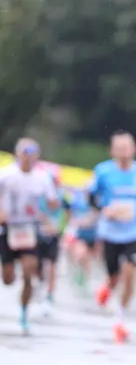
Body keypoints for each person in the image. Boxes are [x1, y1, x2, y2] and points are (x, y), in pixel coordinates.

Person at [90, 130, 136, 343]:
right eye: (119, 149)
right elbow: (92, 197)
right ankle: (107, 286)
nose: (124, 153)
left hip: (135, 232)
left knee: (129, 272)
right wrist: (104, 209)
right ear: (112, 151)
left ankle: (120, 318)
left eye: (127, 148)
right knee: (114, 276)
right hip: (110, 232)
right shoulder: (103, 171)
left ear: (134, 149)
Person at [0, 138, 60, 334]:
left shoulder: (43, 178)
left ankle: (24, 314)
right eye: (24, 153)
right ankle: (10, 273)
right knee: (7, 279)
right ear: (17, 154)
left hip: (29, 229)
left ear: (37, 157)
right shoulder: (6, 175)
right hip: (8, 229)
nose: (27, 158)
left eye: (31, 154)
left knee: (29, 270)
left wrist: (51, 208)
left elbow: (53, 203)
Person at [35, 167, 70, 317]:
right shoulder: (38, 194)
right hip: (38, 234)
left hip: (54, 235)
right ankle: (39, 283)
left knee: (51, 266)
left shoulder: (63, 196)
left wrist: (62, 230)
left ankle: (49, 295)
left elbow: (67, 214)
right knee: (37, 266)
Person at [66, 185, 100, 294]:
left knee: (87, 259)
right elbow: (72, 216)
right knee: (81, 255)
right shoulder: (78, 202)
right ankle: (79, 274)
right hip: (81, 234)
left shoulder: (97, 203)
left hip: (93, 235)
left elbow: (98, 217)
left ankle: (85, 279)